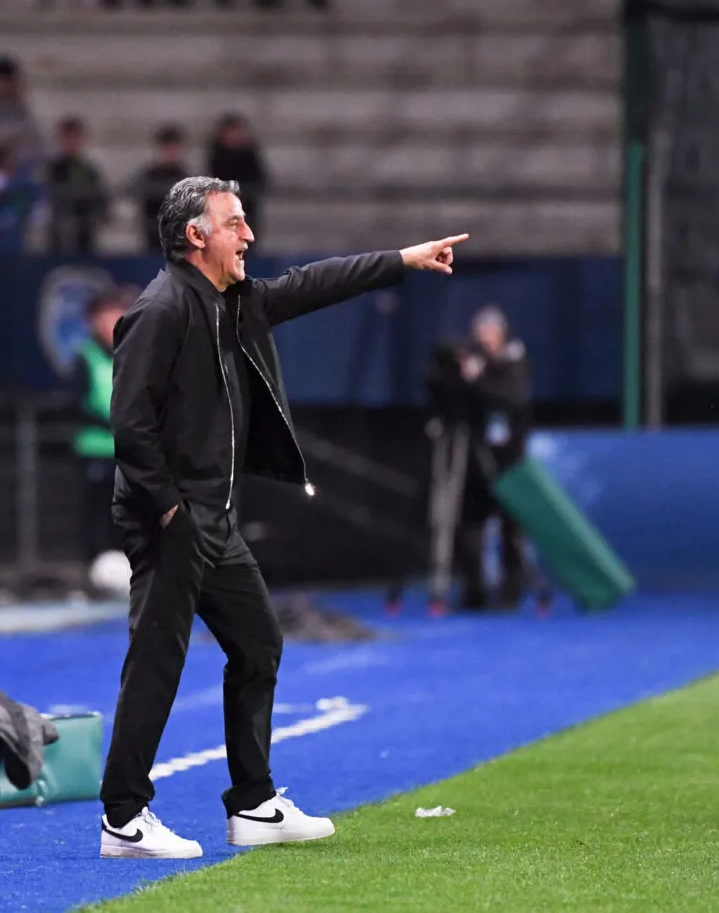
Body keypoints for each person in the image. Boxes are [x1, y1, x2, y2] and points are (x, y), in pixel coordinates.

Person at [99, 175, 467, 859]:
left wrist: (402, 259)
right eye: (235, 223)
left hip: (213, 516)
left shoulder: (233, 302)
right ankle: (124, 817)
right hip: (173, 517)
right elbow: (130, 427)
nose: (250, 235)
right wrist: (172, 508)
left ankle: (254, 803)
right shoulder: (160, 310)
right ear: (195, 236)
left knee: (259, 641)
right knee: (157, 661)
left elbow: (314, 283)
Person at [455, 306, 532, 611]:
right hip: (475, 456)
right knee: (470, 521)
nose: (484, 339)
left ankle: (511, 589)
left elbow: (511, 398)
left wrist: (478, 379)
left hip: (507, 459)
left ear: (501, 334)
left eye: (490, 333)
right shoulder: (474, 362)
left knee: (509, 525)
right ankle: (474, 589)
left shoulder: (513, 362)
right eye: (480, 333)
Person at [72, 288, 131, 567]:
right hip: (96, 448)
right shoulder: (85, 357)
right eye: (104, 319)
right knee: (96, 509)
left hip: (132, 451)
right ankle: (97, 565)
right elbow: (79, 403)